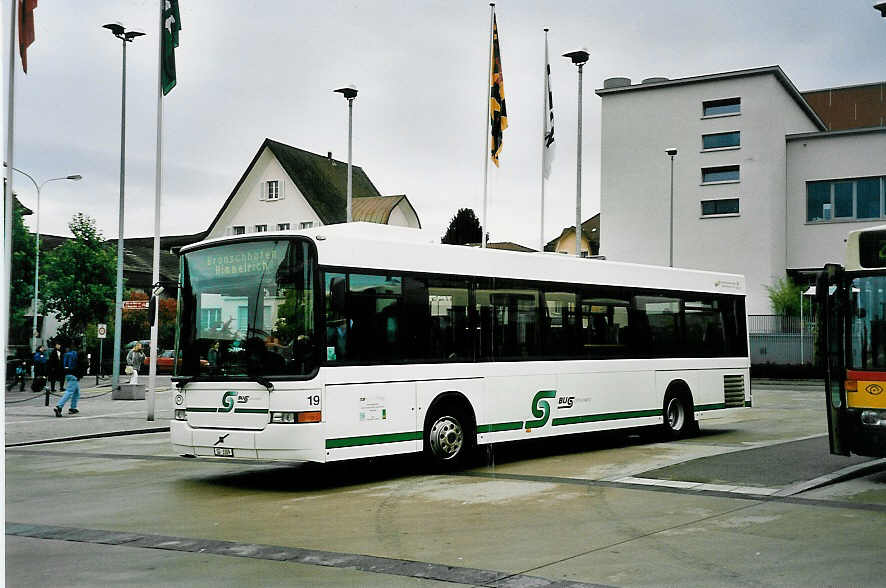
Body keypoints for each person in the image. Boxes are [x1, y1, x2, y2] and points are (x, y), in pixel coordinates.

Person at [55, 344, 81, 417]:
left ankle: (73, 408)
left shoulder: (65, 355)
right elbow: (79, 364)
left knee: (76, 392)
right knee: (69, 392)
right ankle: (59, 407)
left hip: (67, 373)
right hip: (73, 375)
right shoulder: (74, 354)